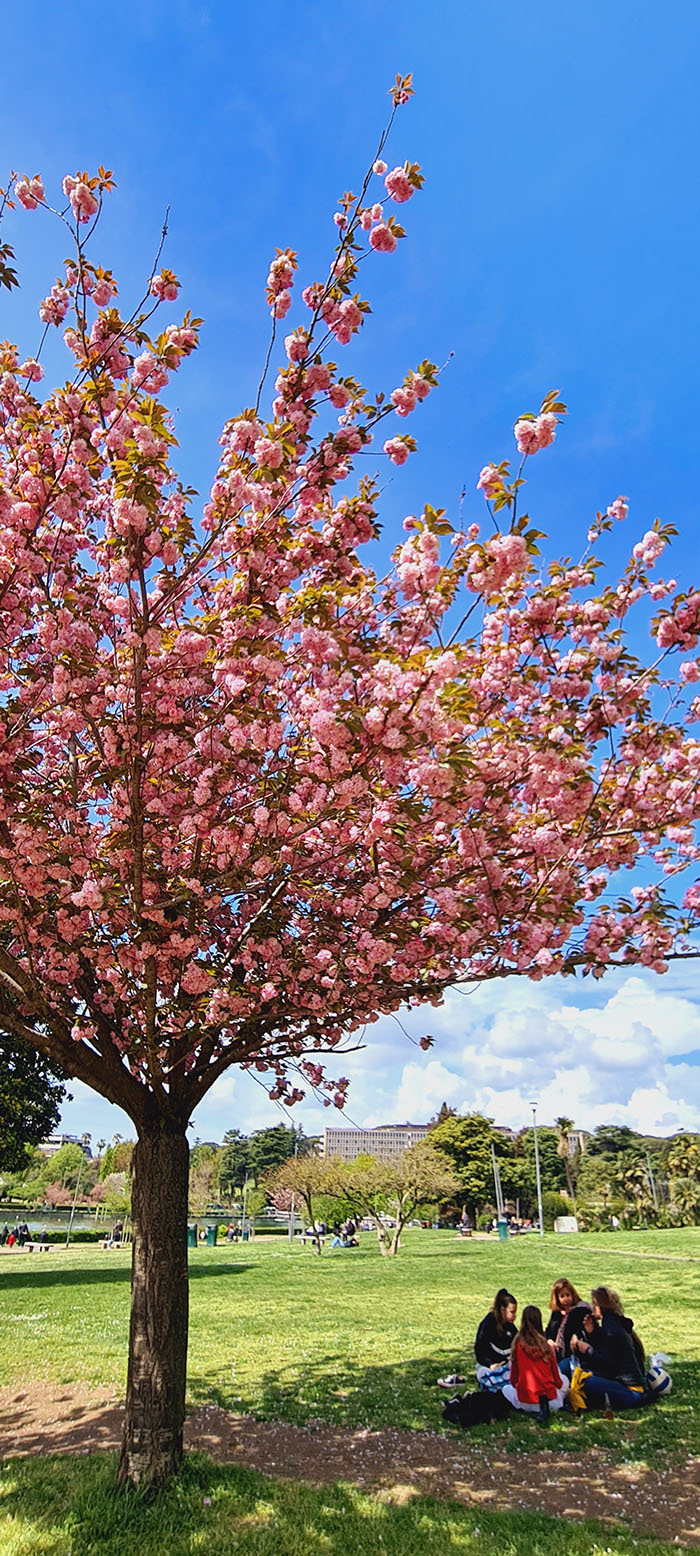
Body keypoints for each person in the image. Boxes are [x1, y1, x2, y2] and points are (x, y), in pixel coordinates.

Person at [569, 1286, 648, 1411]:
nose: (592, 1306)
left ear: (601, 1306)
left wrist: (588, 1350)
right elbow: (606, 1350)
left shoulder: (611, 1327)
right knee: (584, 1373)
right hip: (626, 1384)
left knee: (586, 1381)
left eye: (594, 1304)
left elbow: (607, 1363)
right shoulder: (612, 1322)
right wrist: (592, 1333)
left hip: (632, 1392)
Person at [440, 1287, 518, 1391]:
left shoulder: (510, 1327)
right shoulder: (488, 1324)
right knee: (484, 1374)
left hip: (505, 1367)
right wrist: (491, 1364)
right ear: (502, 1309)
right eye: (512, 1312)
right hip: (489, 1367)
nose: (515, 1316)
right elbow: (480, 1351)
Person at [502, 1305, 569, 1423]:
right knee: (565, 1382)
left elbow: (513, 1380)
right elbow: (557, 1380)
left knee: (505, 1389)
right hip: (550, 1400)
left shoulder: (517, 1345)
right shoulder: (546, 1346)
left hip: (524, 1400)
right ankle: (544, 1407)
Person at [545, 1278, 592, 1377]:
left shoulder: (580, 1310)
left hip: (574, 1354)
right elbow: (549, 1331)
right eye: (562, 1296)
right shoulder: (557, 1314)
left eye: (567, 1295)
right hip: (557, 1352)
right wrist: (549, 1340)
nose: (565, 1299)